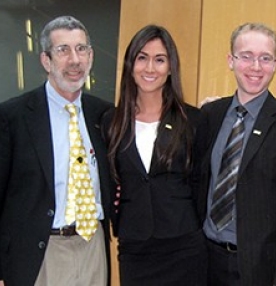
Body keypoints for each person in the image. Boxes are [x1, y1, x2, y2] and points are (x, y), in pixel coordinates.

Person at [0, 16, 113, 285]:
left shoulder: (105, 115)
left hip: (93, 248)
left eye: (81, 49)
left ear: (90, 57)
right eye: (63, 50)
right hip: (40, 253)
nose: (74, 60)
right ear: (46, 60)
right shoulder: (13, 117)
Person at [192, 22, 276, 285]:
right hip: (204, 262)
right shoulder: (209, 115)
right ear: (230, 60)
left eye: (265, 58)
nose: (256, 67)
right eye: (246, 56)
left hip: (259, 270)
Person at [104, 24, 206, 285]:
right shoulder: (111, 122)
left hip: (184, 246)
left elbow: (201, 183)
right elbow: (109, 181)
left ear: (171, 67)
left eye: (160, 60)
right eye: (142, 58)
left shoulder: (193, 119)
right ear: (130, 64)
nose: (150, 68)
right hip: (134, 248)